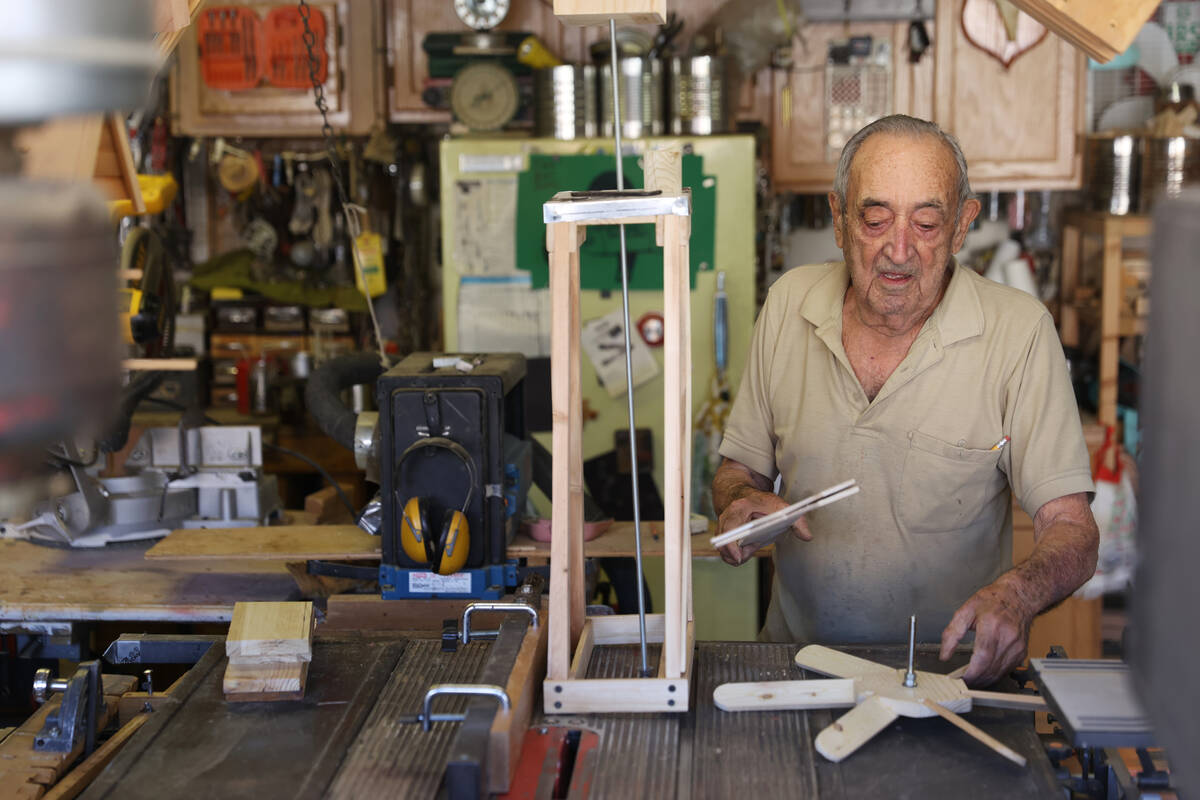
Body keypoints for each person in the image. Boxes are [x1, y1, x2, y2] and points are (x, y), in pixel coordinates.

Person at [713, 115, 1099, 687]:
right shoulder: (788, 304)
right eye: (875, 219)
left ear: (963, 224)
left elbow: (1074, 528)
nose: (900, 250)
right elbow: (736, 471)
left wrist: (1019, 595)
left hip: (950, 681)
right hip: (798, 667)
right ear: (839, 219)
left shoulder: (1018, 334)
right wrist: (742, 502)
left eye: (925, 223)